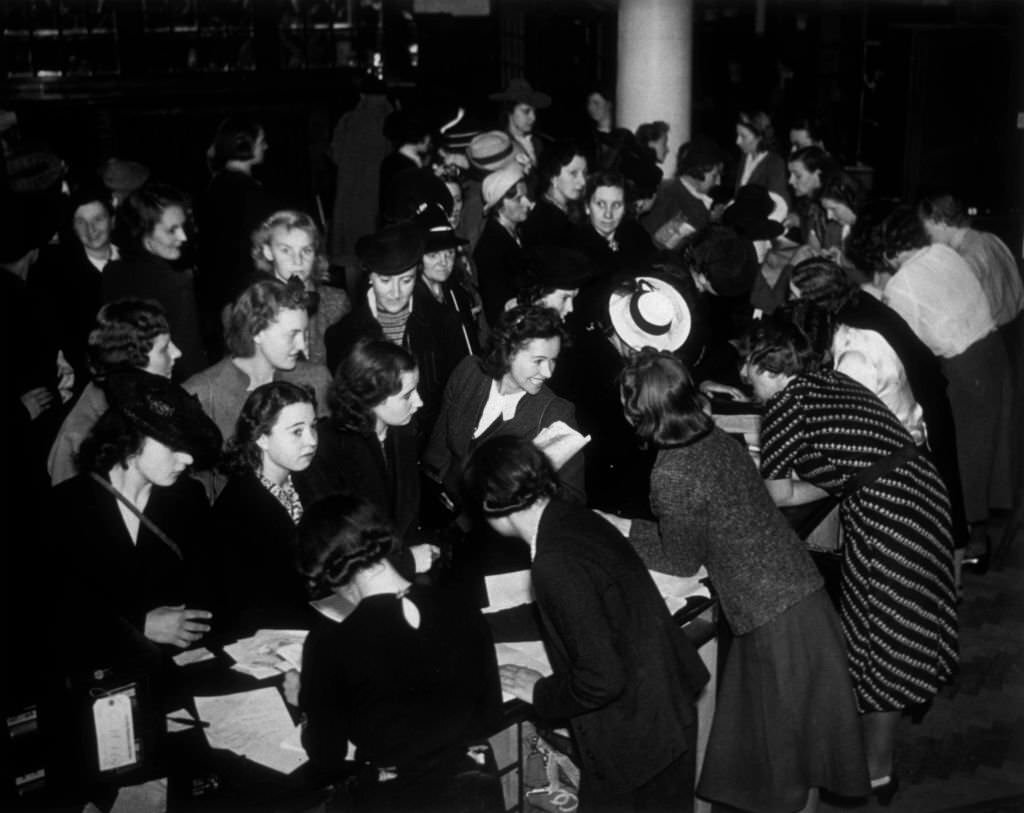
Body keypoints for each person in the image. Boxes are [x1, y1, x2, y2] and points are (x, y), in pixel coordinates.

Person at [603, 350, 869, 813]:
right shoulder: (712, 435)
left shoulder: (672, 471)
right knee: (798, 745)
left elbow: (681, 560)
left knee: (781, 757)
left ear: (638, 413)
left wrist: (623, 529)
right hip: (796, 590)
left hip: (769, 612)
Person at [743, 315, 958, 802]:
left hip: (888, 516)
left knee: (883, 640)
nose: (745, 378)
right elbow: (847, 466)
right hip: (922, 492)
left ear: (767, 367)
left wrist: (753, 474)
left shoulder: (783, 406)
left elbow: (776, 493)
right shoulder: (832, 381)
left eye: (749, 368)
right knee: (894, 628)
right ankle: (877, 746)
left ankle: (876, 772)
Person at [464, 436, 709, 812]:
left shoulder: (553, 561)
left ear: (491, 506)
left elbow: (601, 678)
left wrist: (541, 692)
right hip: (664, 710)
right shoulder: (573, 518)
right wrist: (480, 628)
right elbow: (570, 609)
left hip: (636, 737)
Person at [297, 494, 504, 813]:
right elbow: (491, 715)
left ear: (327, 570)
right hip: (477, 792)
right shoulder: (462, 606)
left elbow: (326, 757)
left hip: (395, 799)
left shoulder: (329, 643)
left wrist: (305, 699)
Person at [50, 370, 222, 676]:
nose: (188, 460)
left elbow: (211, 587)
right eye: (174, 447)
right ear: (134, 438)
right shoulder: (63, 509)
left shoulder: (188, 499)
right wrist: (138, 625)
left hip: (179, 671)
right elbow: (55, 612)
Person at [879, 206, 1012, 564]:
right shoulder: (943, 253)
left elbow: (905, 342)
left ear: (889, 253)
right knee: (985, 452)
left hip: (965, 367)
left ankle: (969, 546)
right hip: (992, 351)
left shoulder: (901, 282)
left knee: (964, 454)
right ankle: (977, 537)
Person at [424, 305, 585, 511]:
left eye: (552, 361)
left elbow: (573, 500)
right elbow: (438, 450)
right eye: (538, 361)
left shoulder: (556, 415)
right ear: (508, 351)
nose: (548, 373)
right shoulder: (469, 371)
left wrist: (523, 485)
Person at [185, 278, 331, 496]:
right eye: (292, 334)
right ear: (256, 332)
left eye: (304, 334)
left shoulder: (315, 379)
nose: (301, 346)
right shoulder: (203, 393)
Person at [324, 221, 466, 440]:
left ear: (417, 276)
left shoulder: (443, 321)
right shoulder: (343, 335)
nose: (396, 292)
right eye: (385, 280)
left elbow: (457, 392)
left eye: (406, 280)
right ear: (369, 276)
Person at [299, 340, 434, 564]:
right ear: (372, 397)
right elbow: (339, 545)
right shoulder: (325, 449)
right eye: (407, 395)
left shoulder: (403, 431)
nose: (419, 402)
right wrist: (407, 562)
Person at [212, 381, 320, 636]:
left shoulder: (310, 481)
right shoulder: (237, 508)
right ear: (261, 437)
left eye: (313, 427)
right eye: (297, 431)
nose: (312, 440)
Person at [48, 299, 181, 486]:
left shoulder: (151, 403)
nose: (177, 353)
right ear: (130, 363)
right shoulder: (77, 437)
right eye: (165, 348)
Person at [102, 183, 207, 380]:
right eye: (171, 230)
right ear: (144, 232)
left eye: (183, 227)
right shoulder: (174, 281)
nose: (183, 237)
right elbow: (190, 356)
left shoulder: (111, 273)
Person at [195, 114, 276, 345]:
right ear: (244, 144)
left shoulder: (213, 186)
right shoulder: (251, 193)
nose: (266, 146)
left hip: (214, 286)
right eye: (262, 141)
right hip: (240, 286)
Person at [250, 209, 352, 367]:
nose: (297, 261)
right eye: (286, 250)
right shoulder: (251, 304)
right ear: (268, 252)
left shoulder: (336, 302)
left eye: (306, 250)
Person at [413, 202, 480, 355]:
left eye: (449, 253)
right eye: (433, 255)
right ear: (419, 258)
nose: (443, 262)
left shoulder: (456, 292)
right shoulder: (414, 302)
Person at [472, 163, 534, 326]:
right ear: (499, 205)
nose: (527, 203)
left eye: (526, 196)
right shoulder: (490, 248)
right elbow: (498, 311)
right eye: (518, 199)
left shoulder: (520, 232)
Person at [643, 136, 726, 249]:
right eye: (714, 176)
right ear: (699, 170)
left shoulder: (671, 189)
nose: (718, 182)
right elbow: (662, 245)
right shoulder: (677, 201)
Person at [570, 170, 655, 280]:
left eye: (616, 205)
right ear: (587, 207)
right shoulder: (574, 246)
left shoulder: (636, 233)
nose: (608, 214)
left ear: (625, 208)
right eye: (600, 204)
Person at [520, 142, 588, 250]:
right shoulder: (545, 223)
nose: (583, 182)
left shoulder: (565, 210)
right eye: (573, 173)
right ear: (553, 177)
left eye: (584, 173)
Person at [488, 78, 551, 172]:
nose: (533, 117)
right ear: (510, 111)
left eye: (534, 112)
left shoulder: (538, 143)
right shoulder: (500, 145)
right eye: (526, 111)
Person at [785, 146, 841, 250]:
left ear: (818, 174)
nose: (790, 181)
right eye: (790, 175)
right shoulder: (807, 204)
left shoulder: (833, 210)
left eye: (797, 176)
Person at [734, 110, 790, 207]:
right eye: (737, 135)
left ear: (759, 137)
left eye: (743, 136)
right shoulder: (745, 157)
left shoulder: (774, 163)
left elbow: (779, 204)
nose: (737, 141)